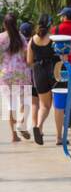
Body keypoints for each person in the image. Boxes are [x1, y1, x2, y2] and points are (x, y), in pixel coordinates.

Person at [25, 14, 58, 145]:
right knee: (57, 105)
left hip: (38, 71)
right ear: (50, 25)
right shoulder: (53, 39)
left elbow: (29, 61)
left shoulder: (32, 40)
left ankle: (38, 126)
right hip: (53, 70)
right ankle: (56, 134)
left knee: (43, 105)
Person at [0, 13, 31, 143]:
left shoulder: (1, 38)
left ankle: (14, 136)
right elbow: (26, 54)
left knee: (10, 105)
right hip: (21, 73)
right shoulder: (21, 37)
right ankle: (21, 123)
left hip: (5, 74)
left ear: (4, 24)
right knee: (26, 102)